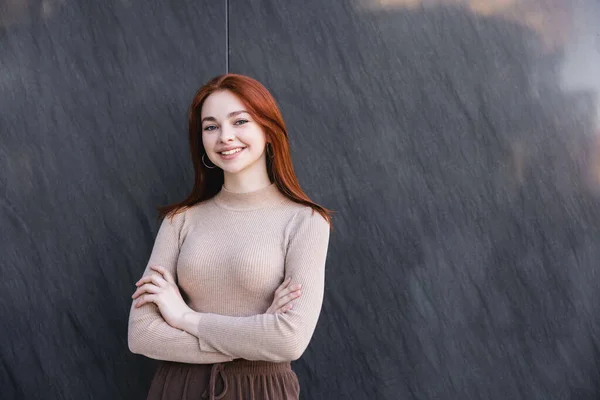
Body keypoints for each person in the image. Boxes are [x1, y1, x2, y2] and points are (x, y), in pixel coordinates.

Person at [127, 73, 333, 400]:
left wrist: (185, 318)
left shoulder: (305, 221)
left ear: (267, 130)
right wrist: (257, 333)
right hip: (178, 389)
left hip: (262, 390)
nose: (225, 136)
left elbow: (289, 340)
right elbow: (143, 335)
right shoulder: (179, 221)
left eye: (239, 121)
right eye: (211, 127)